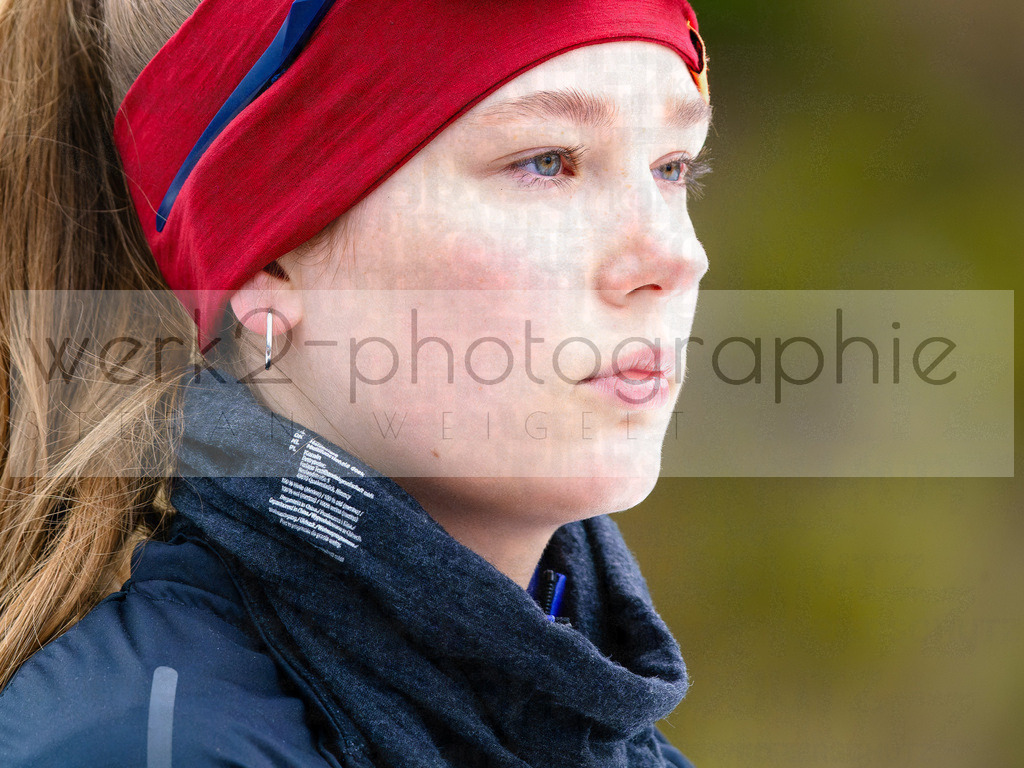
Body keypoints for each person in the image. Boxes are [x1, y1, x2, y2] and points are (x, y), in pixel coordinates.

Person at [0, 1, 712, 765]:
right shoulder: (150, 743)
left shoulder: (609, 732)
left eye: (673, 168)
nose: (675, 258)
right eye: (547, 162)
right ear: (270, 253)